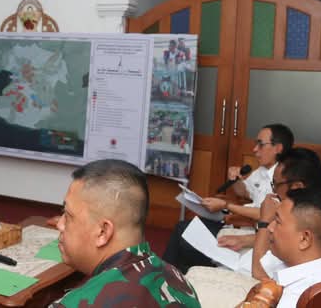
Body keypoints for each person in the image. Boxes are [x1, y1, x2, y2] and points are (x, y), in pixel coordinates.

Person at [49, 159, 200, 307]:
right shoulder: (181, 283)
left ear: (103, 232)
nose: (60, 224)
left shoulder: (72, 304)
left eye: (68, 215)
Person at [163, 123, 293, 273]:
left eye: (261, 144)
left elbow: (266, 213)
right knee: (185, 229)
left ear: (278, 148)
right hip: (238, 222)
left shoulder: (282, 178)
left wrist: (226, 205)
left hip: (252, 229)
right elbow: (245, 193)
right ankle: (173, 275)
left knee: (183, 231)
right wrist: (236, 180)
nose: (254, 149)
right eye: (255, 143)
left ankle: (167, 274)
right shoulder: (262, 170)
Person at [252, 190, 321, 307]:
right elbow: (261, 269)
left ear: (304, 239)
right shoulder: (296, 259)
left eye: (277, 221)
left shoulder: (296, 298)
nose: (270, 227)